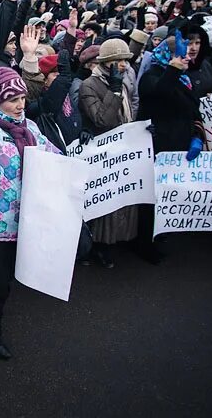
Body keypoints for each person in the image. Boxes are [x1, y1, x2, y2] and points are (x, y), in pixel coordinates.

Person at [0, 40, 60, 373]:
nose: (20, 105)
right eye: (12, 99)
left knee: (4, 286)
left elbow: (55, 161)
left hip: (21, 223)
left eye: (21, 99)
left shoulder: (29, 130)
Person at [136, 36, 205, 264]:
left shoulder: (184, 79)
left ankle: (162, 231)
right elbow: (161, 93)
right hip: (158, 148)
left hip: (180, 146)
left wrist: (196, 135)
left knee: (169, 194)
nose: (187, 58)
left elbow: (193, 111)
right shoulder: (151, 77)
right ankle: (145, 243)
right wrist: (174, 68)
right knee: (152, 198)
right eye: (181, 55)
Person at [78, 38, 139, 268]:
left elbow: (128, 111)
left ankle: (114, 242)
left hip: (121, 148)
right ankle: (97, 247)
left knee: (119, 201)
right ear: (108, 62)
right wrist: (113, 92)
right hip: (103, 153)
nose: (124, 65)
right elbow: (101, 119)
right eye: (119, 60)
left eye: (125, 60)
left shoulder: (121, 81)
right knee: (103, 206)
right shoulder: (90, 85)